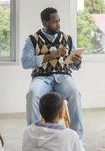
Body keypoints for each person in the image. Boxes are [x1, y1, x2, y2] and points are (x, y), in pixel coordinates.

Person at [21, 7, 84, 140]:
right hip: (42, 78)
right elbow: (25, 62)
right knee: (32, 94)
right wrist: (52, 55)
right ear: (45, 23)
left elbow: (72, 64)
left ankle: (77, 138)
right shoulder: (32, 39)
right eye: (55, 22)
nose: (58, 24)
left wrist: (77, 62)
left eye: (59, 21)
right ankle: (34, 137)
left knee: (75, 92)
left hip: (63, 76)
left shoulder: (67, 38)